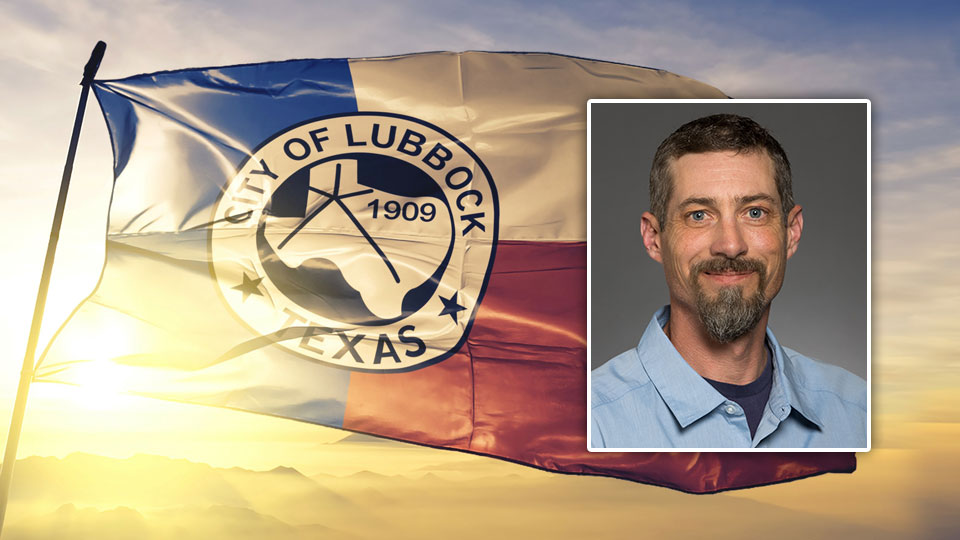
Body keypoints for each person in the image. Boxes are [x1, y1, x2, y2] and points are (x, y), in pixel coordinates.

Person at [590, 113, 867, 449]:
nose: (731, 245)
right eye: (698, 215)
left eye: (754, 212)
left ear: (791, 233)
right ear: (654, 238)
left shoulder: (859, 414)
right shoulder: (589, 424)